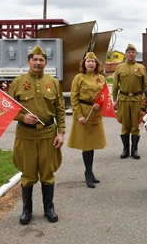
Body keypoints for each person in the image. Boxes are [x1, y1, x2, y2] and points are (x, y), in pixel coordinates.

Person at [8, 45, 66, 225]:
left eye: (42, 60)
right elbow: (9, 109)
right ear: (28, 61)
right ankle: (27, 209)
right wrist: (23, 117)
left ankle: (49, 208)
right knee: (28, 173)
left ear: (46, 62)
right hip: (26, 136)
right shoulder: (18, 82)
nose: (38, 63)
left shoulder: (53, 82)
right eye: (35, 59)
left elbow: (60, 110)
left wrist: (61, 133)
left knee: (47, 174)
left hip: (48, 135)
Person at [67, 52, 107, 189]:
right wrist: (79, 116)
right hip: (84, 115)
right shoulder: (78, 78)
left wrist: (100, 104)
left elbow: (104, 96)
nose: (90, 64)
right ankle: (88, 174)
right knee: (86, 146)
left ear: (96, 64)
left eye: (93, 61)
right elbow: (74, 98)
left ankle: (89, 171)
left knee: (92, 144)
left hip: (95, 115)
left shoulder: (101, 78)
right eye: (88, 61)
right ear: (84, 64)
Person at [112, 44, 147, 159]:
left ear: (136, 54)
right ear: (126, 54)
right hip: (123, 99)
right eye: (129, 52)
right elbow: (115, 85)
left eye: (133, 52)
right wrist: (114, 100)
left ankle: (134, 150)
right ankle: (125, 149)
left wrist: (145, 101)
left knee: (135, 125)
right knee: (125, 124)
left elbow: (145, 85)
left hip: (137, 100)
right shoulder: (119, 67)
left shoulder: (141, 68)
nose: (131, 53)